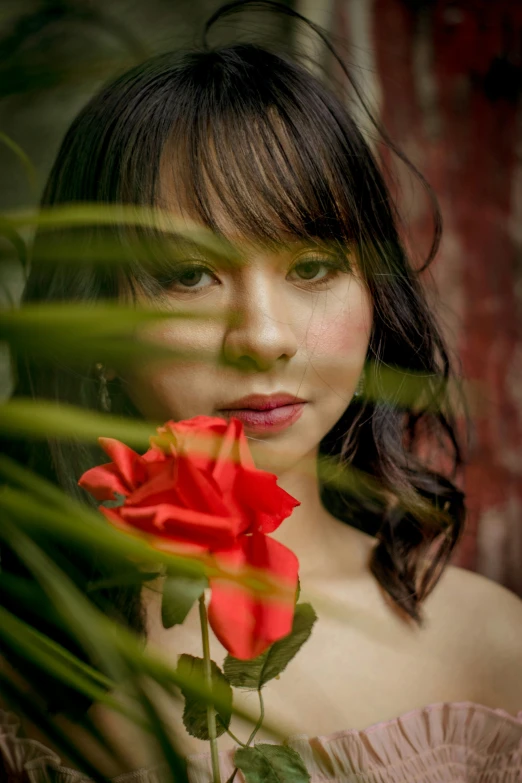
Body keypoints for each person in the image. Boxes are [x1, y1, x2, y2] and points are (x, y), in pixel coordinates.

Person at [1, 2, 521, 781]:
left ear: (375, 298)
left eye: (311, 268)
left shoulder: (490, 644)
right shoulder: (33, 658)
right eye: (188, 276)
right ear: (96, 325)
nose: (265, 336)